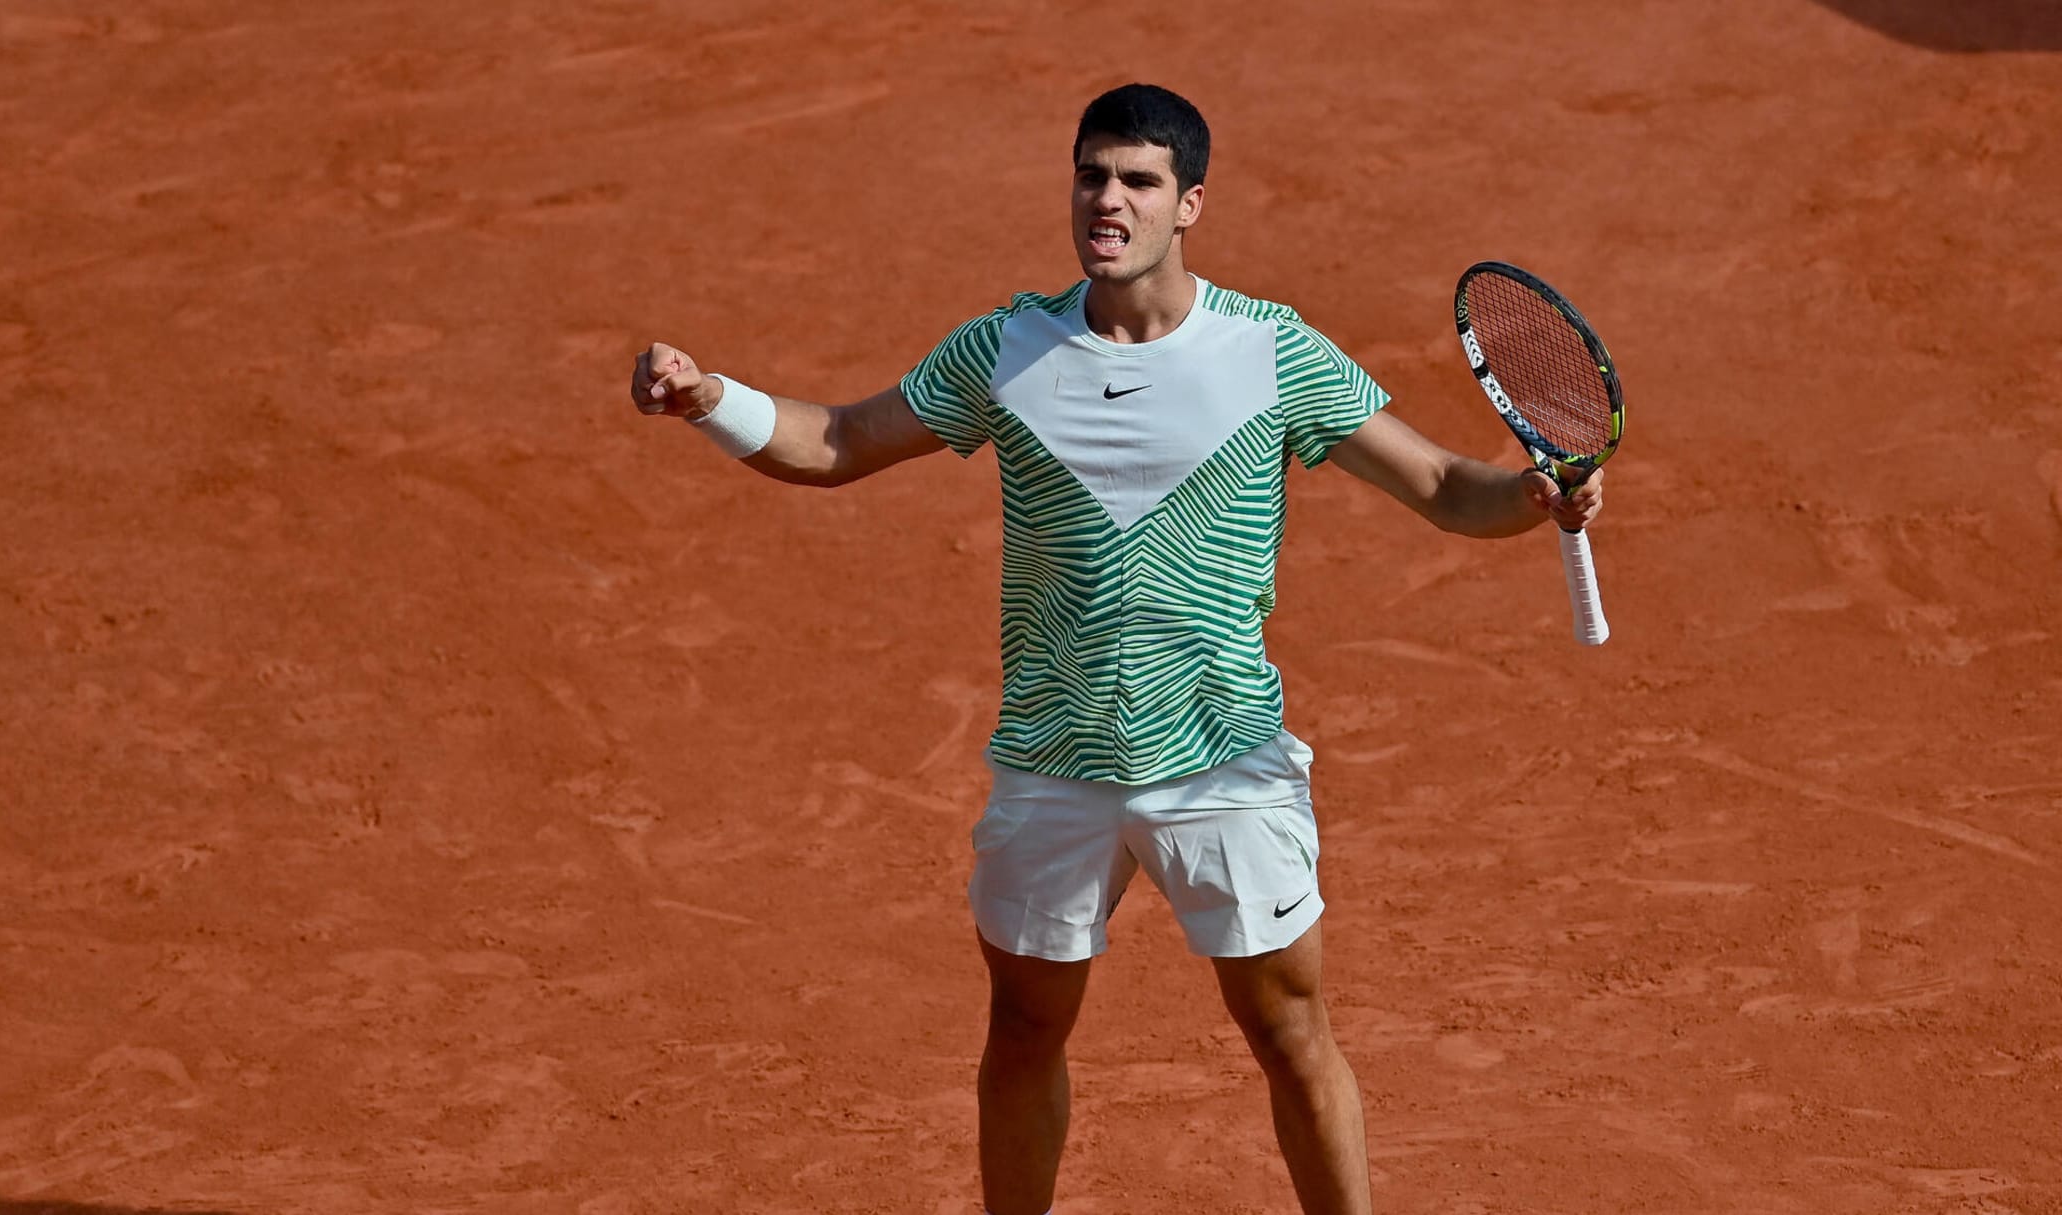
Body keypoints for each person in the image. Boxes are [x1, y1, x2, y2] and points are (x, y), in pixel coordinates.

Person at [630, 82, 1603, 1215]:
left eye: (1139, 181)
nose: (1109, 199)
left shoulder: (1270, 350)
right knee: (1024, 1029)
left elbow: (1443, 486)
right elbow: (839, 440)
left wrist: (1533, 499)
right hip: (1055, 760)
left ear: (1190, 204)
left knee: (1291, 1032)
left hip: (1224, 760)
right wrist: (710, 399)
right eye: (1093, 175)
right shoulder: (1006, 350)